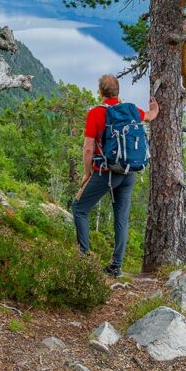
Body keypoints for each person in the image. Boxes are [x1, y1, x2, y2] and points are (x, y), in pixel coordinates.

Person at [73, 74, 159, 277]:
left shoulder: (95, 113)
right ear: (118, 92)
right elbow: (149, 116)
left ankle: (84, 260)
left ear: (100, 92)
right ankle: (116, 266)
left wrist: (87, 174)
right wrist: (155, 108)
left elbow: (88, 148)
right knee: (121, 218)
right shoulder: (130, 110)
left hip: (105, 173)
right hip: (128, 172)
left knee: (79, 208)